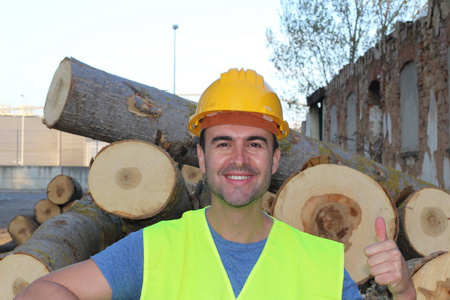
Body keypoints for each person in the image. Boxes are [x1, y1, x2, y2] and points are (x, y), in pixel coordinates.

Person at [15, 68, 416, 300]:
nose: (239, 158)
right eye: (224, 143)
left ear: (274, 159)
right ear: (203, 158)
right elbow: (43, 291)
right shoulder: (156, 250)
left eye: (254, 144)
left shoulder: (323, 266)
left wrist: (404, 291)